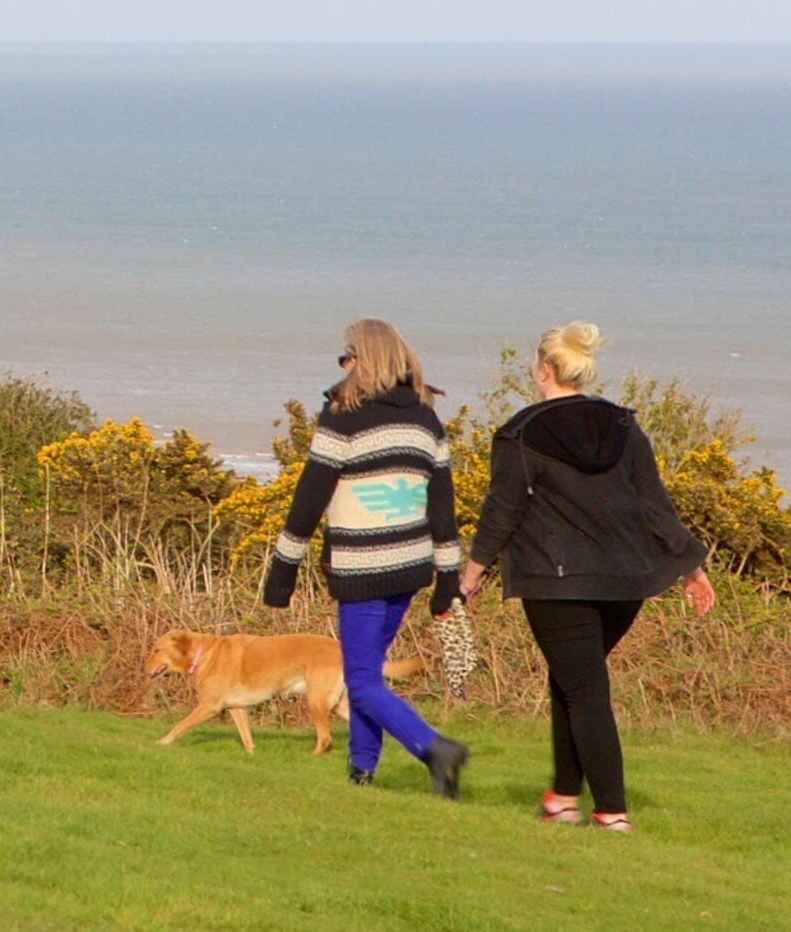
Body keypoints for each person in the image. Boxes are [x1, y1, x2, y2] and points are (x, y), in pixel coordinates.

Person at [455, 323, 714, 832]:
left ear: (543, 370)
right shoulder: (622, 426)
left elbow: (501, 512)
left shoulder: (521, 433)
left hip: (559, 582)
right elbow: (654, 504)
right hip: (626, 583)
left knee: (585, 689)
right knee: (574, 679)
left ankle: (611, 811)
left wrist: (470, 575)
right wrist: (691, 568)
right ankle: (563, 797)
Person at [260, 318, 475, 796]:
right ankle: (362, 769)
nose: (343, 366)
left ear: (364, 359)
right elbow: (443, 506)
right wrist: (447, 577)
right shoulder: (426, 418)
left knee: (360, 679)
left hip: (364, 568)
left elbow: (309, 495)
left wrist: (283, 568)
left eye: (347, 357)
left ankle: (433, 747)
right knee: (367, 669)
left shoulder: (342, 414)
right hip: (412, 566)